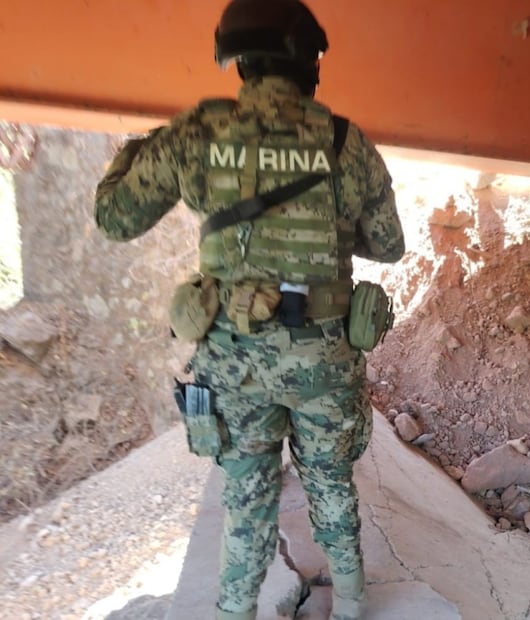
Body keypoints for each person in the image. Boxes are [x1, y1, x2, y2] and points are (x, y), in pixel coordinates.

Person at [93, 1, 405, 618]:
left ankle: (236, 610)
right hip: (323, 354)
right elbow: (389, 245)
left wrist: (134, 153)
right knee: (331, 484)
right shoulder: (346, 141)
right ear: (308, 61)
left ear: (235, 59)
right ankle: (349, 606)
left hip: (234, 356)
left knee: (247, 494)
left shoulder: (195, 135)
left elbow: (116, 218)